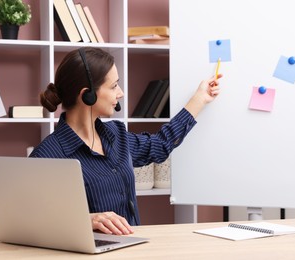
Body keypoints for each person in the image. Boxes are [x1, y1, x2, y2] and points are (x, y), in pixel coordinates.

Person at [29, 47, 222, 236]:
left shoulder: (116, 134)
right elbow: (34, 221)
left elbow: (160, 145)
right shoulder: (47, 156)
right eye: (113, 86)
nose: (120, 93)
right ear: (87, 95)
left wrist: (200, 98)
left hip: (132, 248)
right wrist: (85, 220)